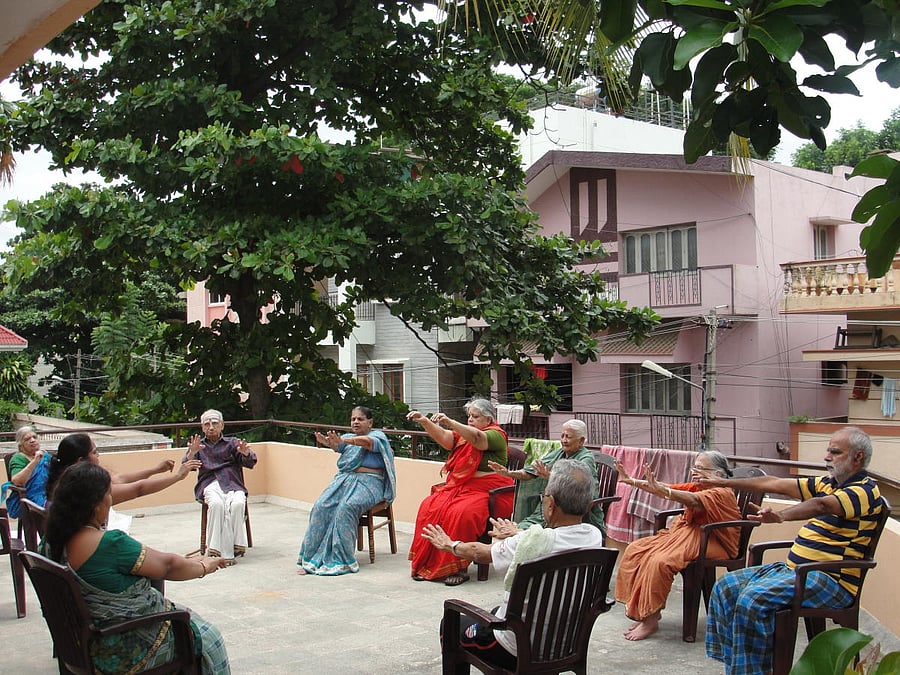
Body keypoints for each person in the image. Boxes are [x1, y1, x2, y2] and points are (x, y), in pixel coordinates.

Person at [703, 426, 883, 675]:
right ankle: (737, 666)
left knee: (753, 598)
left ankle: (753, 671)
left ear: (858, 457)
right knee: (726, 587)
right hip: (797, 571)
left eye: (835, 452)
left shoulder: (864, 490)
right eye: (828, 450)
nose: (826, 456)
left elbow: (821, 505)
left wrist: (781, 516)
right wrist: (725, 482)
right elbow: (773, 482)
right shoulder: (827, 483)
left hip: (830, 580)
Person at [42, 462, 230, 674]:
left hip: (80, 644)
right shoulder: (109, 544)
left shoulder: (50, 542)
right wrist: (204, 567)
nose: (111, 500)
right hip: (124, 649)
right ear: (96, 505)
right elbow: (167, 567)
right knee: (208, 636)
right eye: (108, 494)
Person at [421, 459, 603, 670]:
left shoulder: (531, 543)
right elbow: (556, 538)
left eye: (543, 497)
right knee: (497, 609)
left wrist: (450, 545)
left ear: (551, 504)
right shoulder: (594, 536)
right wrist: (518, 534)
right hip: (564, 644)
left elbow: (480, 553)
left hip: (515, 650)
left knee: (451, 624)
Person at [613, 450, 741, 640]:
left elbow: (689, 499)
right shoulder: (699, 486)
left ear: (719, 474)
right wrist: (631, 480)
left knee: (660, 561)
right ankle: (646, 612)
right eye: (694, 467)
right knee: (636, 550)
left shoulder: (720, 492)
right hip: (689, 533)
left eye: (700, 468)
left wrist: (664, 491)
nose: (694, 472)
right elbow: (664, 487)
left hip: (713, 540)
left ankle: (650, 619)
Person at [407, 398, 514, 586]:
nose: (470, 420)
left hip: (490, 491)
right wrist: (424, 421)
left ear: (488, 419)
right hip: (461, 487)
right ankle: (428, 563)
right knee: (429, 506)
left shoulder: (496, 434)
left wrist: (451, 422)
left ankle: (459, 567)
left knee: (462, 513)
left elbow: (478, 440)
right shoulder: (465, 434)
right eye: (469, 416)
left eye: (475, 416)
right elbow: (446, 438)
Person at [297, 405, 397, 576]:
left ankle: (341, 559)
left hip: (371, 482)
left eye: (360, 419)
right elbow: (339, 447)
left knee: (347, 508)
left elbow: (366, 443)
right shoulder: (348, 437)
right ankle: (312, 558)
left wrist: (345, 441)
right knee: (321, 506)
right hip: (344, 480)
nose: (356, 422)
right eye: (353, 419)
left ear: (370, 422)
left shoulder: (377, 436)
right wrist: (330, 443)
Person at [488, 418, 604, 530]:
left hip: (571, 512)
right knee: (520, 528)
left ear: (581, 441)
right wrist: (509, 473)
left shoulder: (586, 458)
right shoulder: (559, 453)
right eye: (562, 436)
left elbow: (576, 488)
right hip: (551, 507)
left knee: (522, 532)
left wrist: (550, 476)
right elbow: (531, 472)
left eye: (568, 437)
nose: (563, 440)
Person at [45, 432, 200, 506]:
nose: (98, 456)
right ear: (80, 461)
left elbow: (119, 479)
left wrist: (155, 470)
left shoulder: (66, 478)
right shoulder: (85, 486)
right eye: (94, 452)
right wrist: (178, 476)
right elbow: (138, 489)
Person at [184, 409, 257, 564]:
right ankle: (216, 550)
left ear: (222, 425)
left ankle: (235, 546)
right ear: (202, 428)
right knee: (217, 505)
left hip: (232, 483)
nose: (211, 427)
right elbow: (187, 466)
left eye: (215, 423)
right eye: (207, 424)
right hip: (209, 484)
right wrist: (191, 453)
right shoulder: (199, 446)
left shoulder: (232, 443)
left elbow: (250, 462)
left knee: (237, 504)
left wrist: (245, 454)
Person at [3, 426, 52, 517]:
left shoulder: (46, 457)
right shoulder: (18, 459)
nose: (32, 440)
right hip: (30, 498)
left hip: (48, 495)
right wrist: (35, 461)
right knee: (57, 511)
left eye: (34, 437)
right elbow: (18, 481)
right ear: (21, 445)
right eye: (27, 439)